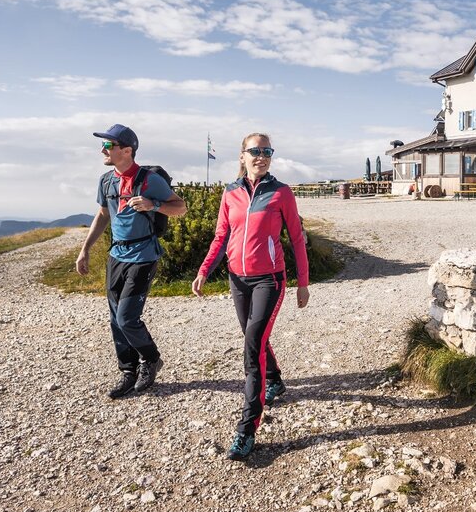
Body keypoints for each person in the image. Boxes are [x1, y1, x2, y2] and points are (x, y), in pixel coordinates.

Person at [192, 133, 309, 461]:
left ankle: (247, 428)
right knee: (252, 335)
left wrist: (303, 283)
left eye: (267, 151)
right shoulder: (230, 193)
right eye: (255, 151)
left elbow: (297, 238)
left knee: (252, 346)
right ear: (242, 156)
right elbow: (221, 235)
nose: (262, 156)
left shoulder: (281, 193)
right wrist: (204, 270)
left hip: (270, 280)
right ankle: (274, 380)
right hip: (237, 279)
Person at [76, 124, 187, 399]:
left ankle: (150, 359)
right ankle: (128, 371)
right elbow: (103, 215)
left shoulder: (150, 180)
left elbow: (181, 207)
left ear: (127, 150)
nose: (103, 149)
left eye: (109, 145)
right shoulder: (106, 180)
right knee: (116, 319)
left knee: (127, 317)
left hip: (143, 255)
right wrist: (85, 248)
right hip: (116, 255)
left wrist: (154, 205)